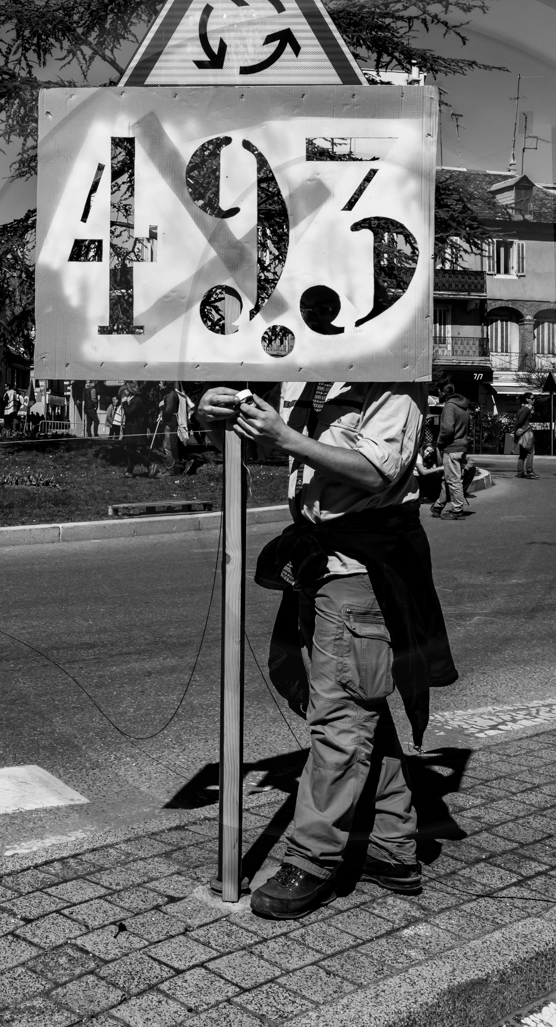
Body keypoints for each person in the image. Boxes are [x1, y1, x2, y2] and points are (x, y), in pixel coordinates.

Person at [196, 380, 457, 920]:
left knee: (341, 718)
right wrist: (214, 420)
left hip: (361, 566)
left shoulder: (392, 378)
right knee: (356, 706)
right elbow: (258, 447)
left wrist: (287, 436)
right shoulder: (305, 371)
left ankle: (312, 859)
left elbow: (377, 470)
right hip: (322, 561)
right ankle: (392, 846)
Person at [431, 382, 472, 519]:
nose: (438, 394)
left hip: (452, 447)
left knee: (453, 480)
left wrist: (440, 442)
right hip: (461, 446)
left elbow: (447, 429)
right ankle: (438, 505)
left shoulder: (449, 406)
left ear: (443, 393)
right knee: (448, 479)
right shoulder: (463, 406)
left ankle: (457, 511)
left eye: (438, 392)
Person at [155, 381, 182, 474]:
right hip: (170, 422)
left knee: (167, 445)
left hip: (170, 423)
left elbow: (168, 411)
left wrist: (161, 407)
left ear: (166, 385)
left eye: (160, 383)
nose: (159, 384)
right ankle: (172, 467)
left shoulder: (170, 396)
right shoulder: (170, 394)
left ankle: (171, 469)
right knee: (169, 445)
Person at [514, 397, 537, 479]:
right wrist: (516, 432)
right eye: (532, 398)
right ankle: (529, 471)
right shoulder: (526, 409)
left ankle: (520, 472)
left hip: (523, 432)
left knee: (523, 453)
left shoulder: (523, 408)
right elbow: (519, 421)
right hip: (526, 431)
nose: (534, 400)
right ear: (527, 399)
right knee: (530, 452)